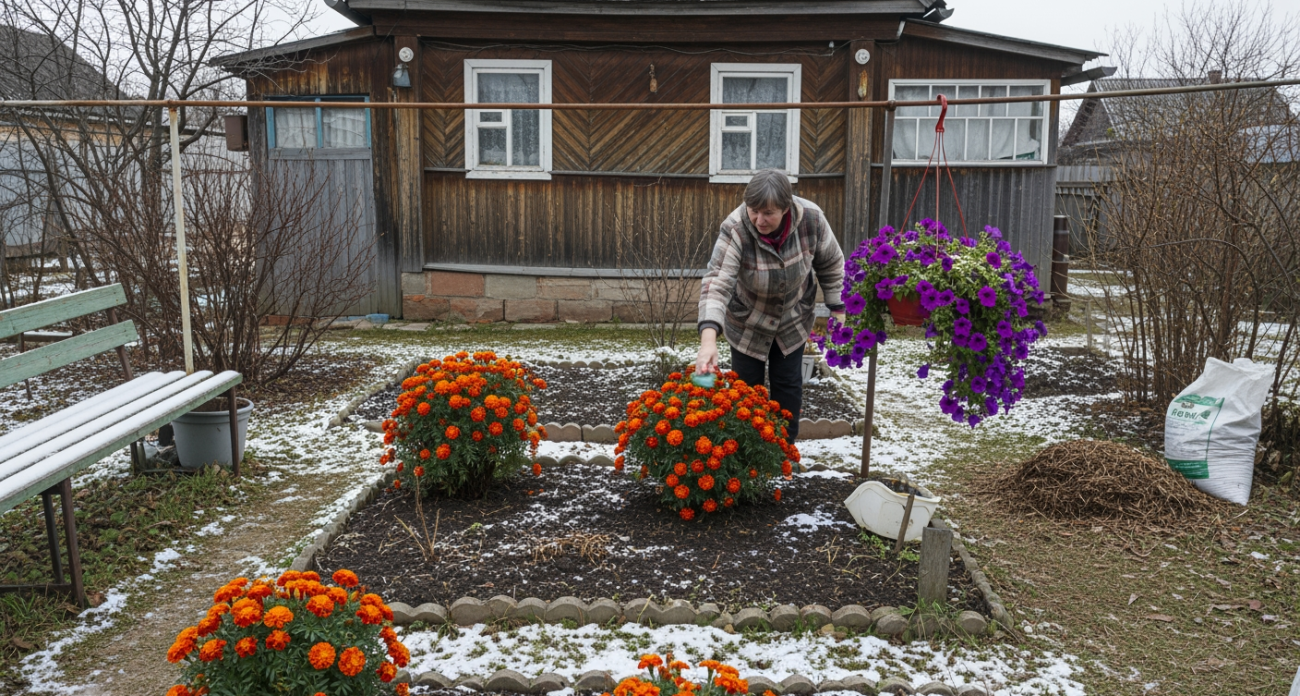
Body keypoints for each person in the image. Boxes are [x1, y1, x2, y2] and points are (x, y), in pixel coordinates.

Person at [695, 168, 846, 442]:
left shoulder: (812, 219)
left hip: (792, 320)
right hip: (748, 322)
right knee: (745, 391)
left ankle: (782, 454)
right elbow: (717, 281)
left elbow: (831, 262)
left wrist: (837, 306)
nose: (759, 220)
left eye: (768, 213)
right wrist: (708, 340)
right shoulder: (736, 227)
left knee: (787, 386)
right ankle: (746, 456)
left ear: (786, 208)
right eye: (754, 210)